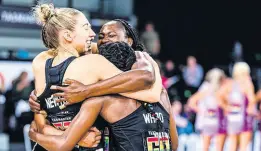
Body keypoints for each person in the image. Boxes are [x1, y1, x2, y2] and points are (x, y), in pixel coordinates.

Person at [30, 3, 162, 150]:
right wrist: (151, 65)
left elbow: (40, 126)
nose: (92, 34)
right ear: (67, 35)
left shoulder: (40, 62)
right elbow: (151, 94)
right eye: (86, 28)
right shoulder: (94, 63)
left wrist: (72, 138)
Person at [29, 42, 178, 151]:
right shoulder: (162, 94)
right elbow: (174, 145)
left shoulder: (101, 101)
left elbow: (62, 144)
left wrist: (33, 134)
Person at [217, 62, 256, 151]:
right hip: (244, 118)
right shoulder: (247, 83)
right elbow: (252, 99)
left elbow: (218, 96)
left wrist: (226, 107)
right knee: (243, 147)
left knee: (233, 145)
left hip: (232, 118)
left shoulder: (230, 83)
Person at [188, 68, 227, 151]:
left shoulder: (223, 88)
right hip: (207, 120)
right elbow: (192, 101)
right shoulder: (206, 87)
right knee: (206, 146)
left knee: (219, 147)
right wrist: (202, 111)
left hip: (219, 120)